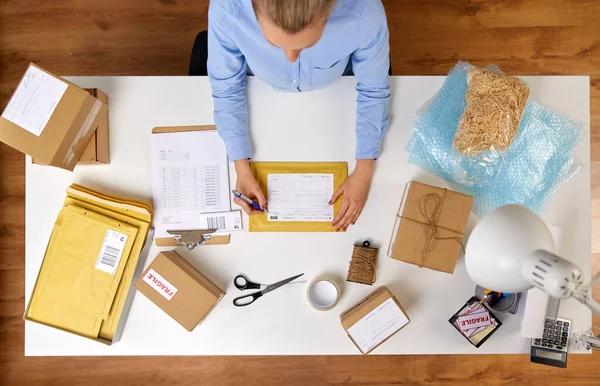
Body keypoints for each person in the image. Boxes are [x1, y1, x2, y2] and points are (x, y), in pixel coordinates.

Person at [208, 0, 390, 231]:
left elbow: (373, 90)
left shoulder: (364, 11)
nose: (291, 58)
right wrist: (241, 167)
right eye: (274, 43)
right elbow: (226, 88)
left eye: (308, 45)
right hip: (260, 90)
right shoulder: (227, 7)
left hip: (338, 84)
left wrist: (365, 169)